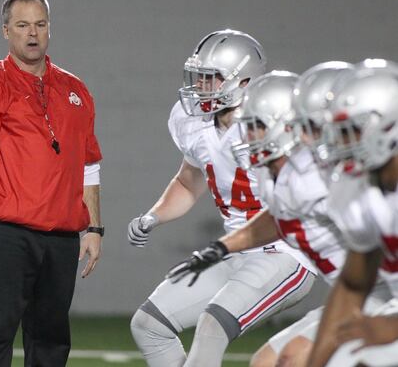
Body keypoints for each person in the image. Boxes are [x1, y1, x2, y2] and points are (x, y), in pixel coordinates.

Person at [163, 67, 392, 367]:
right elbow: (283, 216)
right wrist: (223, 247)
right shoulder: (295, 176)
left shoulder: (351, 187)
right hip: (361, 292)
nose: (324, 139)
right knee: (271, 361)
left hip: (385, 297)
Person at [127, 30, 316, 367]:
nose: (200, 87)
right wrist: (153, 216)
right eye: (199, 78)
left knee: (212, 326)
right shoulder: (196, 125)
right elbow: (188, 183)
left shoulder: (270, 125)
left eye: (211, 79)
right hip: (234, 248)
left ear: (245, 82)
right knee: (149, 325)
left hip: (284, 252)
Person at [0, 0, 103, 366]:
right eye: (22, 25)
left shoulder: (75, 89)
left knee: (51, 343)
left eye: (40, 24)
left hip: (62, 238)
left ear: (50, 29)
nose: (32, 33)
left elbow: (88, 164)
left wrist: (94, 228)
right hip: (3, 236)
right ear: (5, 31)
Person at [306, 59, 398, 367]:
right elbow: (352, 285)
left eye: (351, 132)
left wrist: (394, 326)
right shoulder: (357, 189)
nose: (340, 144)